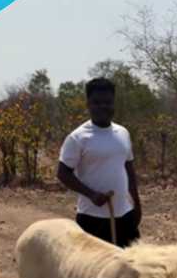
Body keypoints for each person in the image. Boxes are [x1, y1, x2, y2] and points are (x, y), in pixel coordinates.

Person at [57, 77, 142, 247]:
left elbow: (128, 167)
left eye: (108, 102)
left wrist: (137, 204)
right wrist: (92, 194)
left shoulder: (122, 133)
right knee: (93, 272)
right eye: (97, 102)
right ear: (88, 104)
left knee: (131, 268)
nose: (103, 107)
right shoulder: (78, 137)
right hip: (92, 219)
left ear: (113, 103)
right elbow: (63, 173)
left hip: (125, 215)